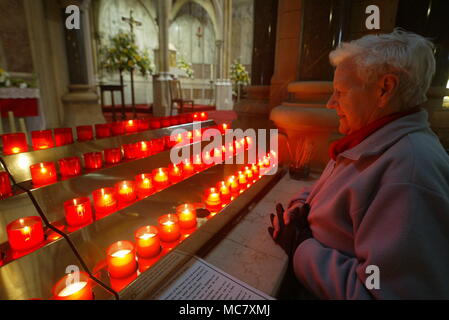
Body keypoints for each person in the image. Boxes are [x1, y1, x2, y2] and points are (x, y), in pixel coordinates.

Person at [268, 29, 449, 299]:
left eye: (340, 92)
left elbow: (380, 293)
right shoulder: (372, 141)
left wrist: (301, 246)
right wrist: (299, 207)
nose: (331, 103)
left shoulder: (409, 172)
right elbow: (328, 191)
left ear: (384, 89)